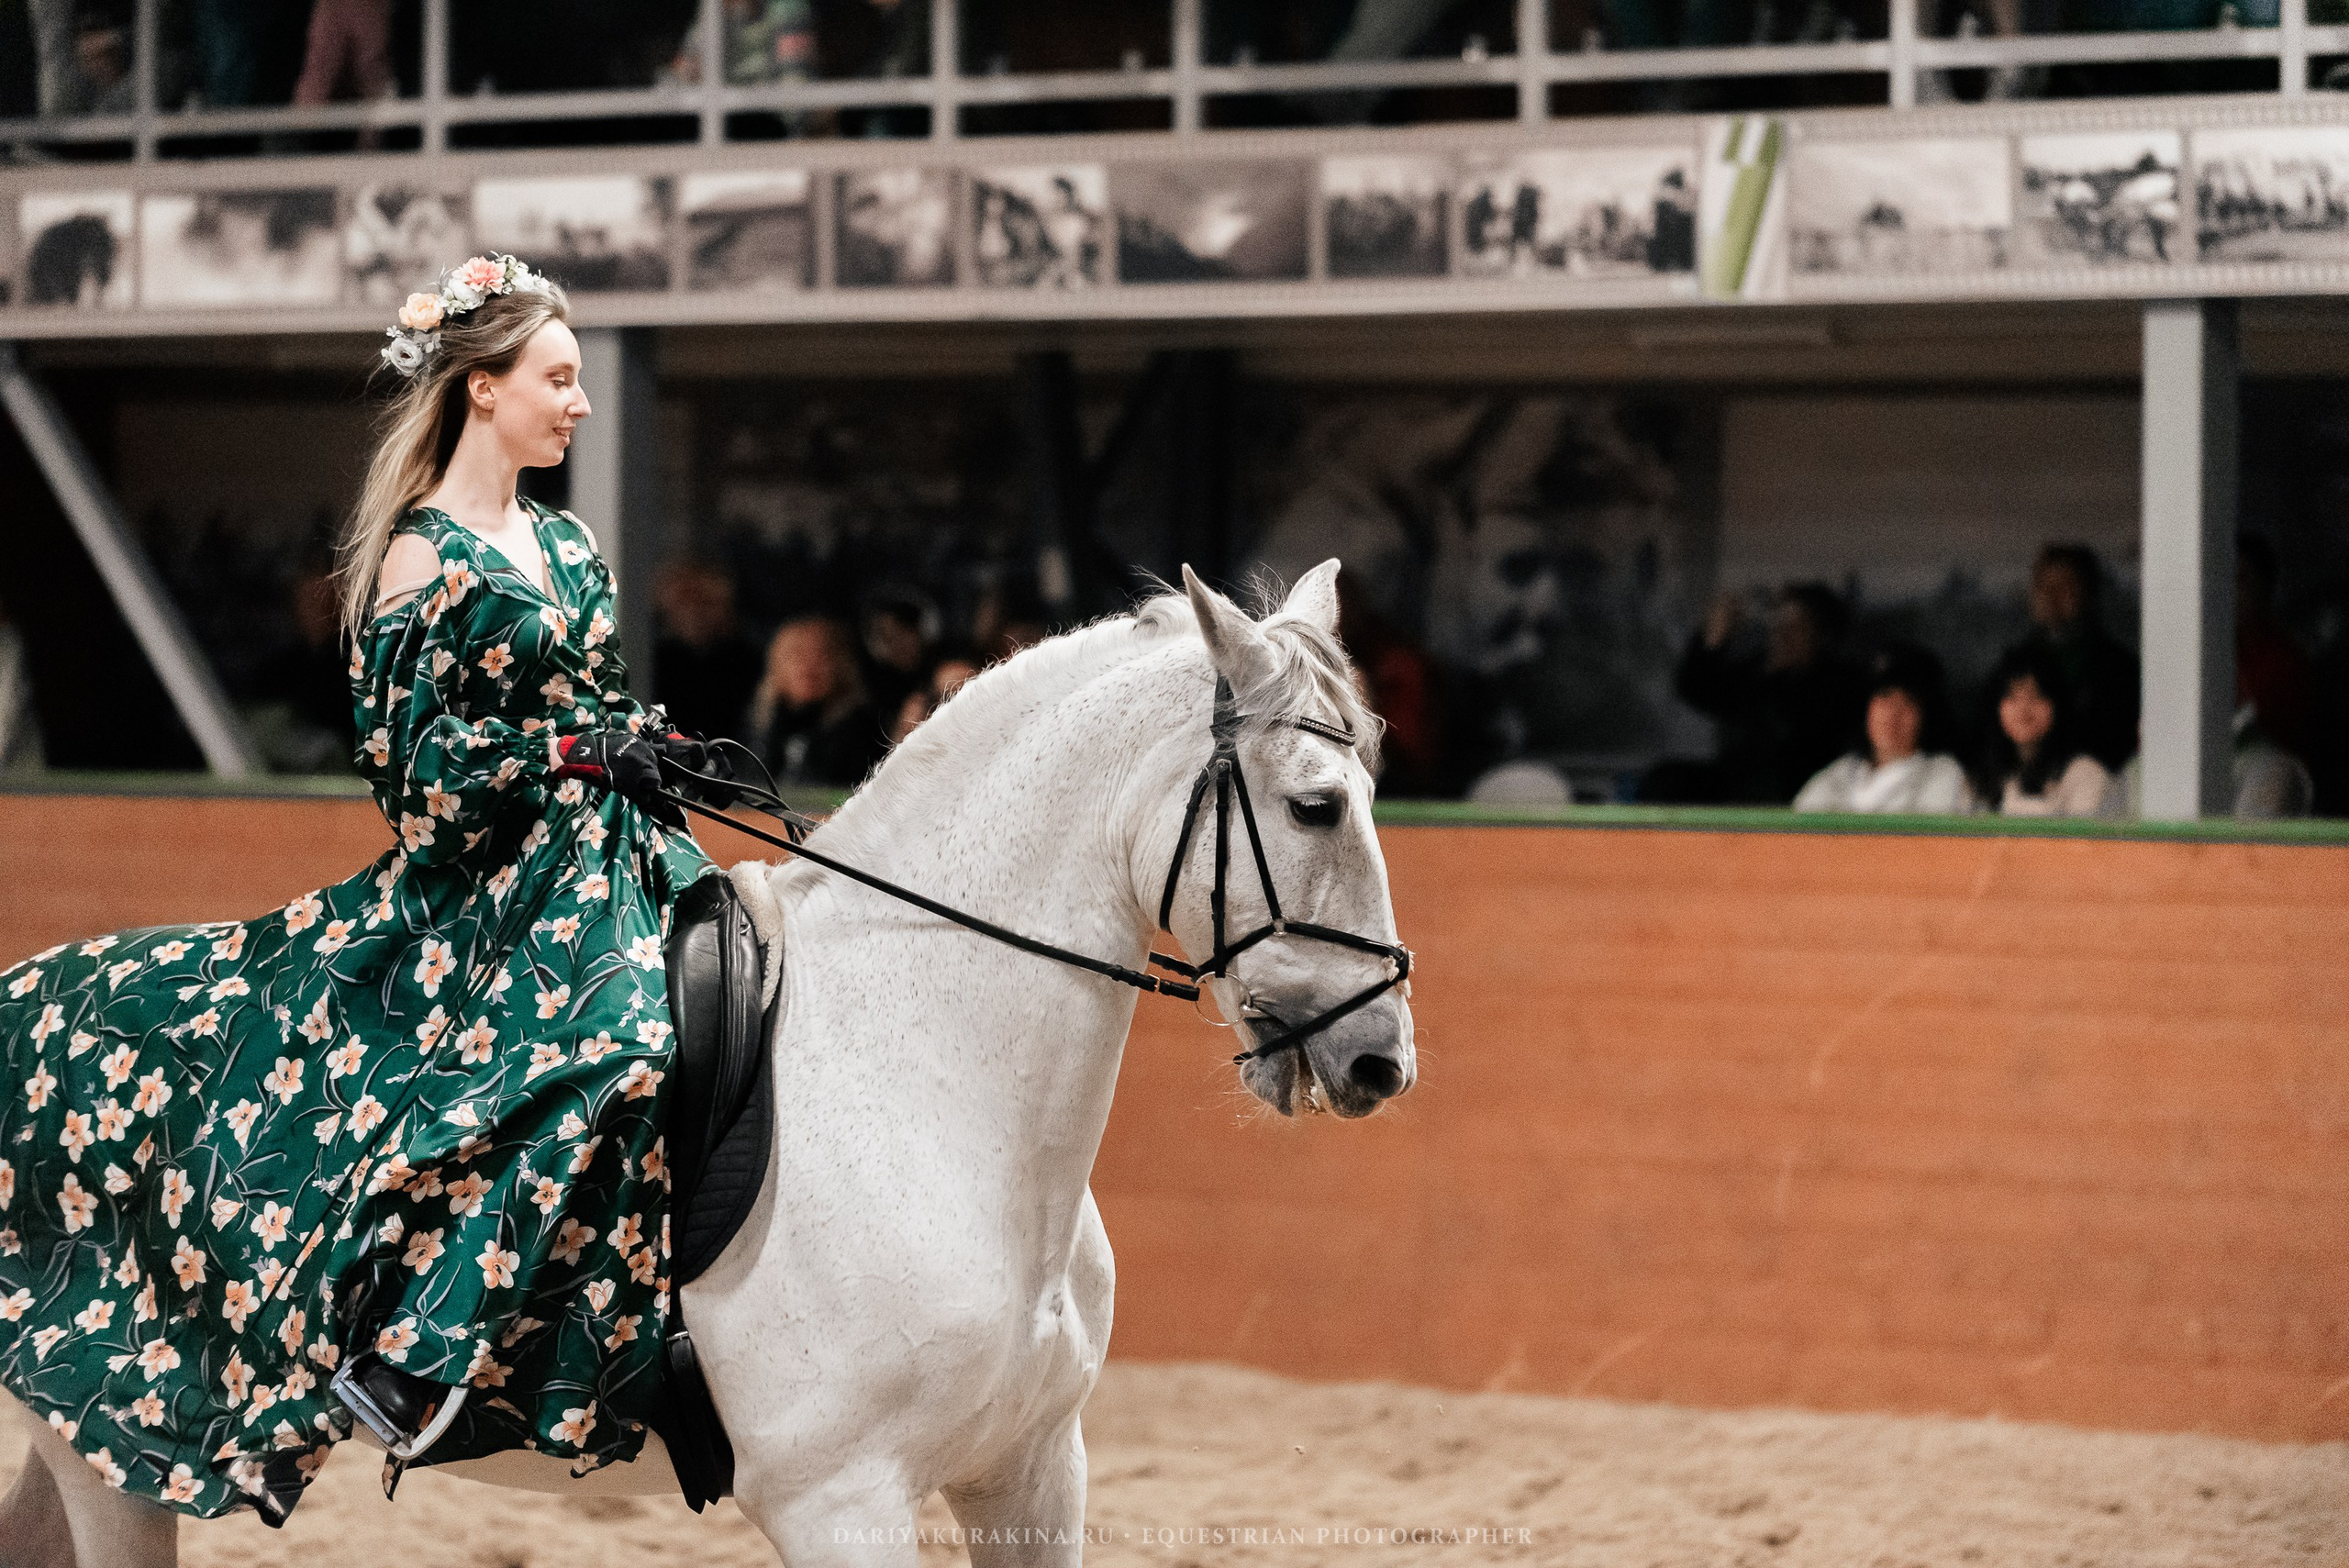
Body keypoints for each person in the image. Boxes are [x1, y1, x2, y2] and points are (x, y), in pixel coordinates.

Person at [0, 255, 718, 1524]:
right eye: (558, 380)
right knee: (621, 1041)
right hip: (485, 891)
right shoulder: (413, 562)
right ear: (482, 389)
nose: (581, 406)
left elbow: (594, 703)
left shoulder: (567, 540)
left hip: (607, 849)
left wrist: (636, 743)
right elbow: (417, 780)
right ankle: (416, 1357)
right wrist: (556, 751)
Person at [1663, 581, 1866, 806]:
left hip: (1803, 798)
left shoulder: (1840, 684)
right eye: (1778, 625)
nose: (1782, 635)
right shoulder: (1758, 673)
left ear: (1820, 635)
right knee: (1667, 781)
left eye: (1795, 628)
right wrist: (1714, 640)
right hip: (1738, 796)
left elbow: (1800, 736)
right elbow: (1697, 688)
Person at [2000, 543, 2139, 774]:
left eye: (2065, 586)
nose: (2051, 596)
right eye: (2044, 586)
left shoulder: (2115, 667)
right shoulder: (2014, 665)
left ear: (2089, 594)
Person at [1795, 644, 1977, 815]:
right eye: (1884, 697)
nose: (1893, 714)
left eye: (1908, 702)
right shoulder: (1840, 773)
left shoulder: (1943, 774)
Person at [1976, 644, 2125, 817]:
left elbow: (2081, 843)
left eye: (2036, 696)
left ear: (2057, 705)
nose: (2023, 709)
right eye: (2012, 697)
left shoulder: (2085, 774)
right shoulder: (1988, 775)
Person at [752, 615, 887, 787]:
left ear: (843, 664)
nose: (809, 665)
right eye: (797, 653)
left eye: (822, 654)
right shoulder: (759, 728)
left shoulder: (865, 734)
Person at [652, 561, 763, 746]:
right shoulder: (652, 659)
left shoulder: (746, 661)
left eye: (706, 602)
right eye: (684, 601)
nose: (694, 611)